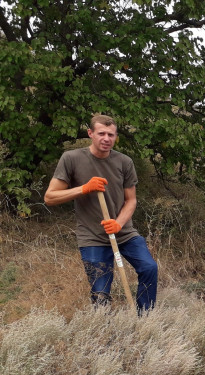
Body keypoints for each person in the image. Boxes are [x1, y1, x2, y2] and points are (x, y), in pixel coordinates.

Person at [44, 114, 158, 312]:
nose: (106, 138)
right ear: (90, 133)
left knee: (149, 268)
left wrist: (119, 224)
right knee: (100, 292)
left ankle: (144, 319)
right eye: (101, 133)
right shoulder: (71, 158)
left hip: (124, 233)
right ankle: (104, 331)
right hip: (92, 237)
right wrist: (84, 188)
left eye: (111, 135)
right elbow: (50, 197)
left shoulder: (124, 162)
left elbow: (131, 200)